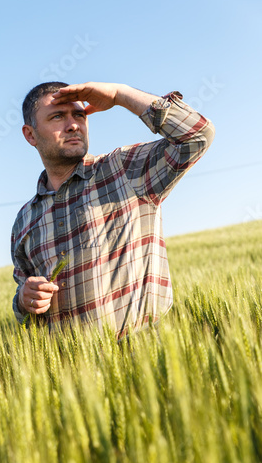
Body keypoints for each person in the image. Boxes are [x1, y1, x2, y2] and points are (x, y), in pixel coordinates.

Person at [11, 81, 215, 338]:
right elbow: (24, 302)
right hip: (70, 373)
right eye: (57, 116)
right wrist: (23, 300)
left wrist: (120, 95)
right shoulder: (24, 220)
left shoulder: (125, 169)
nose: (74, 124)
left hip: (145, 363)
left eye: (79, 115)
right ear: (30, 135)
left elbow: (197, 135)